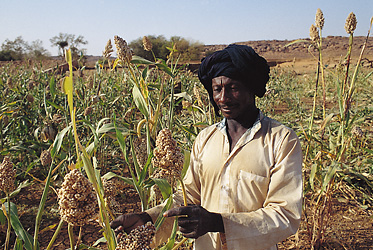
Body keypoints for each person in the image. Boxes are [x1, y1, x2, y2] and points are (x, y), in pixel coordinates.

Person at [111, 44, 303, 250]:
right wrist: (148, 218)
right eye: (217, 89)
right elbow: (188, 196)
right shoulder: (205, 138)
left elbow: (285, 214)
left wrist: (218, 223)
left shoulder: (281, 140)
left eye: (233, 88)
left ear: (252, 88)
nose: (223, 98)